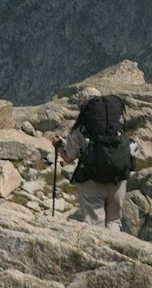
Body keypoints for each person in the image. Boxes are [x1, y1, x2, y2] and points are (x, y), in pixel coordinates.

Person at [54, 92, 135, 230]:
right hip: (118, 181)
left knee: (94, 225)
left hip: (92, 182)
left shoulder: (80, 129)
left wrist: (59, 146)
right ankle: (113, 249)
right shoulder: (116, 125)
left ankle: (98, 251)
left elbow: (68, 158)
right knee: (114, 221)